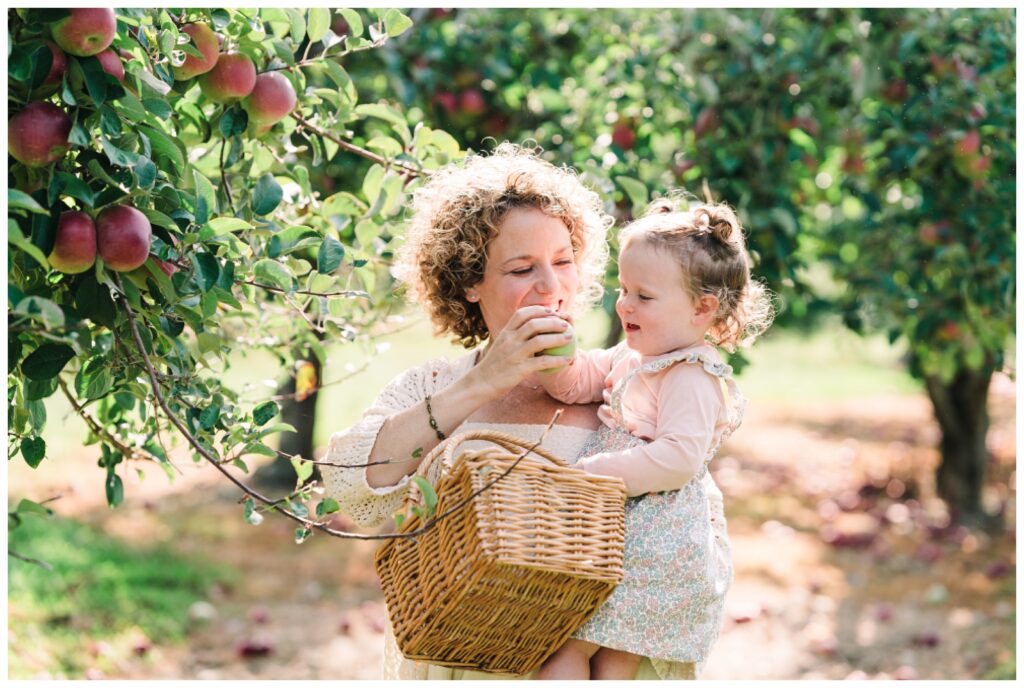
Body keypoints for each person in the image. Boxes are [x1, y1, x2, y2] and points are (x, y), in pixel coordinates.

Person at [321, 144, 729, 680]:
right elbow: (348, 487)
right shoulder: (436, 386)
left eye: (563, 262)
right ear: (469, 282)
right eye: (521, 268)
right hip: (469, 660)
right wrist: (482, 382)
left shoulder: (625, 384)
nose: (551, 286)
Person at [534, 198, 774, 680]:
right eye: (623, 289)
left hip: (655, 542)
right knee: (567, 645)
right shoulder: (633, 354)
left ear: (702, 309)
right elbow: (578, 382)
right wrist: (556, 352)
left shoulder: (690, 374)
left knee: (604, 653)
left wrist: (592, 476)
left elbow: (679, 458)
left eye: (643, 296)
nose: (623, 304)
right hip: (614, 532)